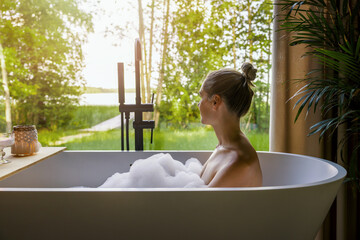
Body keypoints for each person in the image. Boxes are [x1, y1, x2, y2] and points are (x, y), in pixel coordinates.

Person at [198, 63, 263, 187]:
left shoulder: (237, 161)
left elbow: (200, 205)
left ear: (215, 102)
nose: (199, 104)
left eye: (202, 97)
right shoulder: (224, 147)